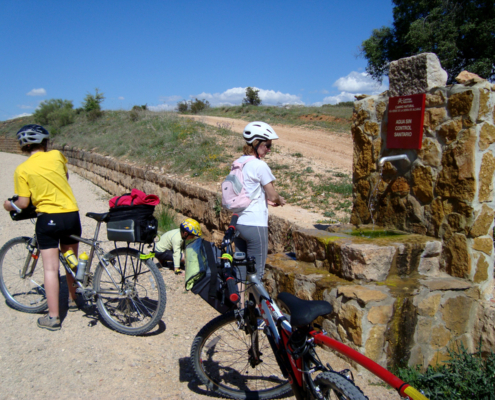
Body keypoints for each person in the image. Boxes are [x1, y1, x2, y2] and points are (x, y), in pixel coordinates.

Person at [3, 124, 81, 331]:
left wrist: (8, 204)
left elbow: (23, 203)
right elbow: (64, 179)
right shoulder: (56, 156)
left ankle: (54, 317)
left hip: (48, 219)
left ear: (23, 146)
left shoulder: (22, 169)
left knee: (50, 268)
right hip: (71, 214)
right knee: (71, 261)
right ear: (45, 141)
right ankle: (74, 300)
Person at [233, 121, 286, 281]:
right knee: (256, 274)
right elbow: (272, 195)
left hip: (238, 222)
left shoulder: (238, 163)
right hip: (255, 224)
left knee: (240, 271)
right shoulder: (259, 165)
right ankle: (256, 306)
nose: (269, 149)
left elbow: (245, 190)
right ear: (256, 143)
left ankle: (239, 305)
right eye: (267, 145)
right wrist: (279, 199)